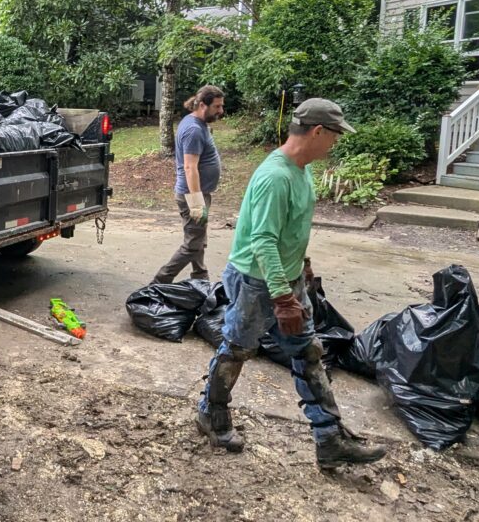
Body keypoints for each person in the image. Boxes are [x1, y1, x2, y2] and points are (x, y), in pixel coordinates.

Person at [196, 98, 386, 467]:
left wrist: (303, 267)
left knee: (308, 352)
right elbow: (263, 240)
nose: (334, 144)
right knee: (237, 349)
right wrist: (283, 299)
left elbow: (290, 230)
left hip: (287, 277)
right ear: (317, 131)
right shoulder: (275, 176)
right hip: (256, 282)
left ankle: (329, 438)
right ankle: (212, 415)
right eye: (333, 136)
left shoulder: (302, 169)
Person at [152, 85, 225, 284]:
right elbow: (189, 167)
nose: (220, 111)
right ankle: (159, 282)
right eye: (217, 107)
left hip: (198, 194)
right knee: (192, 244)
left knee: (198, 240)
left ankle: (201, 278)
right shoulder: (193, 129)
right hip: (192, 196)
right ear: (203, 104)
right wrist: (197, 203)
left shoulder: (198, 123)